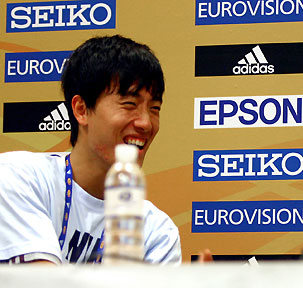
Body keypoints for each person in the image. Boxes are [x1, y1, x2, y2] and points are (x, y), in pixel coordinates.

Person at [0, 35, 181, 264]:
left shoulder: (157, 232)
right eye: (129, 105)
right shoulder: (18, 177)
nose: (146, 123)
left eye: (154, 108)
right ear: (81, 109)